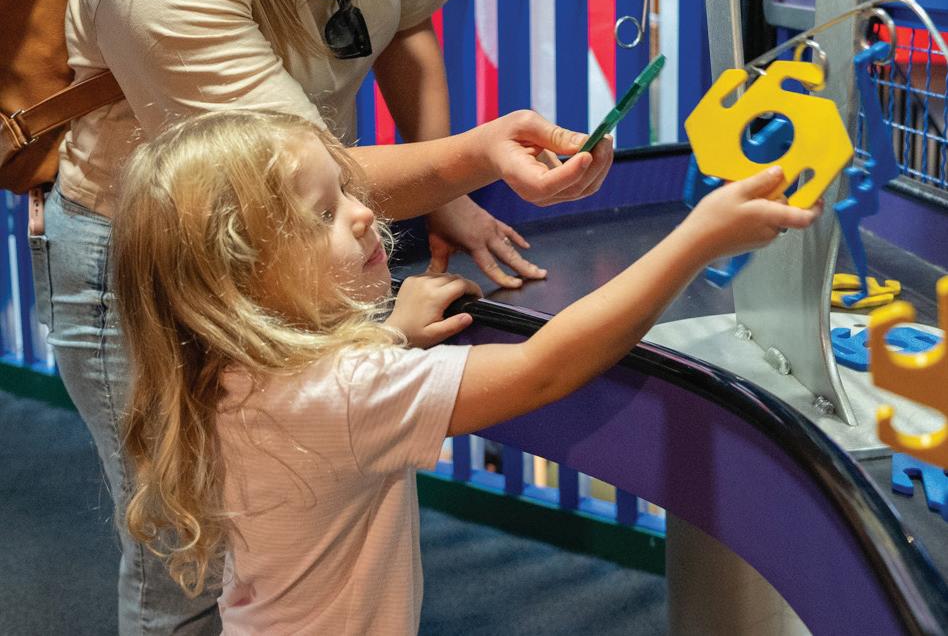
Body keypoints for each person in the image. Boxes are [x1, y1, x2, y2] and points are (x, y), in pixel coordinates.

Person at [31, 0, 612, 635]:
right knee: (189, 554)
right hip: (158, 262)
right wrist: (470, 157)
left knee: (309, 519)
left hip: (300, 231)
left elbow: (407, 25)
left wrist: (450, 193)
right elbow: (275, 174)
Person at [114, 109, 820, 635]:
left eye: (348, 192)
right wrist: (697, 239)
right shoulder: (347, 392)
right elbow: (545, 368)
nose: (363, 216)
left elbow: (318, 403)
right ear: (241, 280)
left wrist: (392, 333)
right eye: (323, 213)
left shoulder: (224, 370)